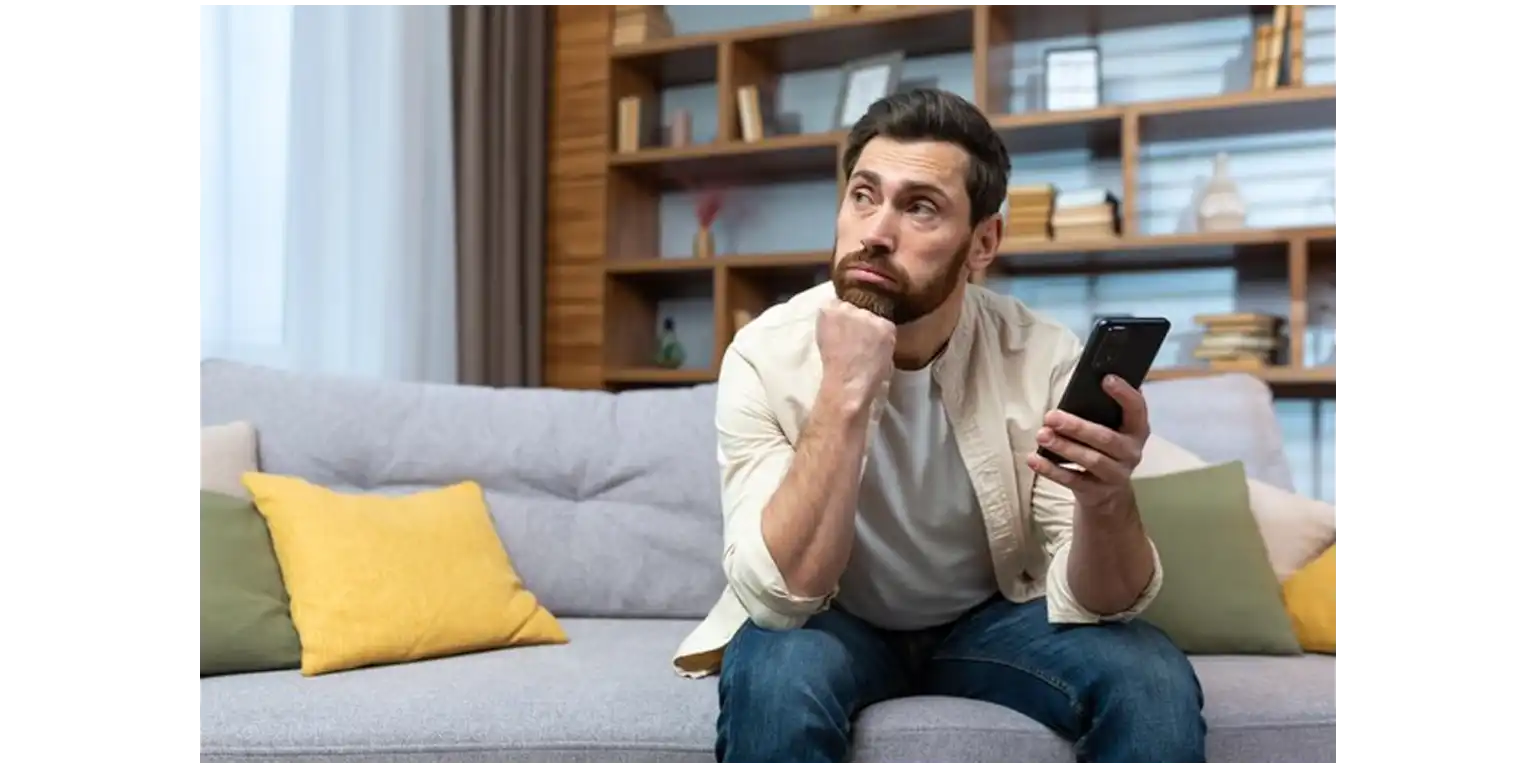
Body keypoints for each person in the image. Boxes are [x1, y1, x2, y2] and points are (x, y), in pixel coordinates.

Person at [669, 88, 1206, 767]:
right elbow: (782, 596)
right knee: (773, 672)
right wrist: (845, 389)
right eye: (864, 195)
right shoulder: (764, 354)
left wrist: (1106, 499)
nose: (876, 232)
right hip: (835, 622)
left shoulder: (1041, 355)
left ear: (983, 242)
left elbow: (1104, 603)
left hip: (990, 620)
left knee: (1149, 672)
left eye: (919, 206)